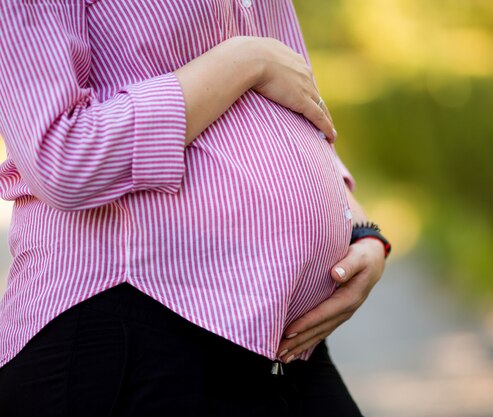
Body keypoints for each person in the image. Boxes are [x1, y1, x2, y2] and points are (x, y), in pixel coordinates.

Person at [0, 1, 391, 416]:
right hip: (136, 318)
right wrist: (245, 60)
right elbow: (65, 157)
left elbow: (298, 100)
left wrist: (363, 230)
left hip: (281, 337)